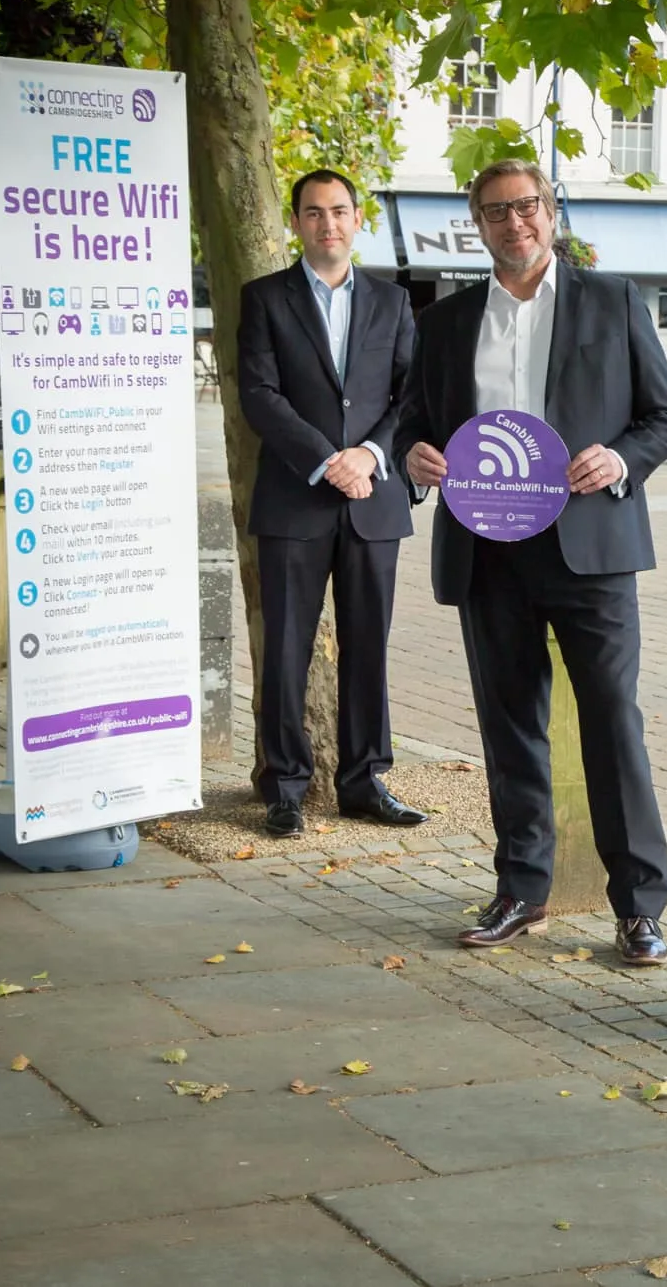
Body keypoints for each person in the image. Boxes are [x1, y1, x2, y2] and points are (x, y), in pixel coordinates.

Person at [396, 159, 667, 965]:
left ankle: (639, 906)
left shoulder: (612, 300)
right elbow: (413, 421)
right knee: (510, 726)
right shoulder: (448, 322)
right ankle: (522, 889)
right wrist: (411, 454)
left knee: (612, 723)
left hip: (589, 547)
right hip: (488, 549)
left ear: (550, 214)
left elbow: (665, 416)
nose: (514, 222)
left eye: (526, 207)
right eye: (496, 212)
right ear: (477, 225)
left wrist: (620, 461)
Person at [236, 169, 425, 839]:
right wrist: (326, 459)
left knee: (368, 643)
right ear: (296, 223)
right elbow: (260, 394)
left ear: (356, 218)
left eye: (340, 211)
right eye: (314, 213)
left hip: (374, 497)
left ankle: (363, 779)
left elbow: (411, 398)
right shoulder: (264, 298)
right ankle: (285, 784)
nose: (328, 224)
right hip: (296, 495)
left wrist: (368, 457)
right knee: (287, 646)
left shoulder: (394, 302)